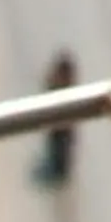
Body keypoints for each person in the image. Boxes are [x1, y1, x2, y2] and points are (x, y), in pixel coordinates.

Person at [39, 51, 78, 181]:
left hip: (64, 127)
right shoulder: (55, 83)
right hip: (57, 125)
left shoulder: (70, 86)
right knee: (56, 149)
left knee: (64, 151)